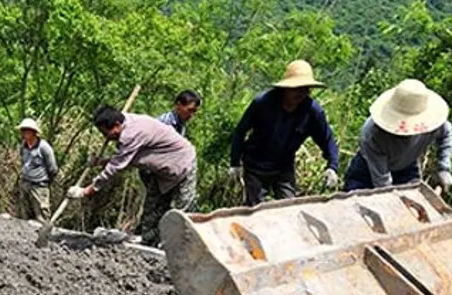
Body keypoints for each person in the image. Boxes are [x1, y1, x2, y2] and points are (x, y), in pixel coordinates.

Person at [67, 105, 197, 248]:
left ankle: (183, 248)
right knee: (152, 207)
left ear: (117, 125)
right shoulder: (124, 121)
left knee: (182, 212)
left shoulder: (131, 134)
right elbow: (127, 158)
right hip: (162, 171)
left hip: (183, 162)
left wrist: (86, 191)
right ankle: (149, 244)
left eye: (106, 133)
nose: (107, 138)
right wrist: (100, 162)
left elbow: (116, 167)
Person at [229, 60, 340, 206]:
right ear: (286, 88)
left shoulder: (312, 112)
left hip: (284, 166)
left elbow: (327, 139)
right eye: (296, 88)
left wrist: (332, 166)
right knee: (257, 210)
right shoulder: (263, 103)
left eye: (305, 89)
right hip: (256, 165)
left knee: (289, 207)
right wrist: (235, 162)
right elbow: (240, 131)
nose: (301, 93)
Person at [343, 79, 452, 192]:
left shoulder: (432, 123)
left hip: (406, 168)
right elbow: (383, 184)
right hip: (367, 173)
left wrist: (444, 168)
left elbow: (446, 133)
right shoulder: (373, 134)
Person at [17, 117, 58, 223]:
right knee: (24, 215)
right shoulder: (23, 146)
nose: (24, 133)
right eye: (23, 130)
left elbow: (52, 168)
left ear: (34, 132)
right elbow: (23, 162)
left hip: (39, 186)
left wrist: (45, 181)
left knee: (42, 217)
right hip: (25, 183)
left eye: (27, 130)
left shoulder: (44, 147)